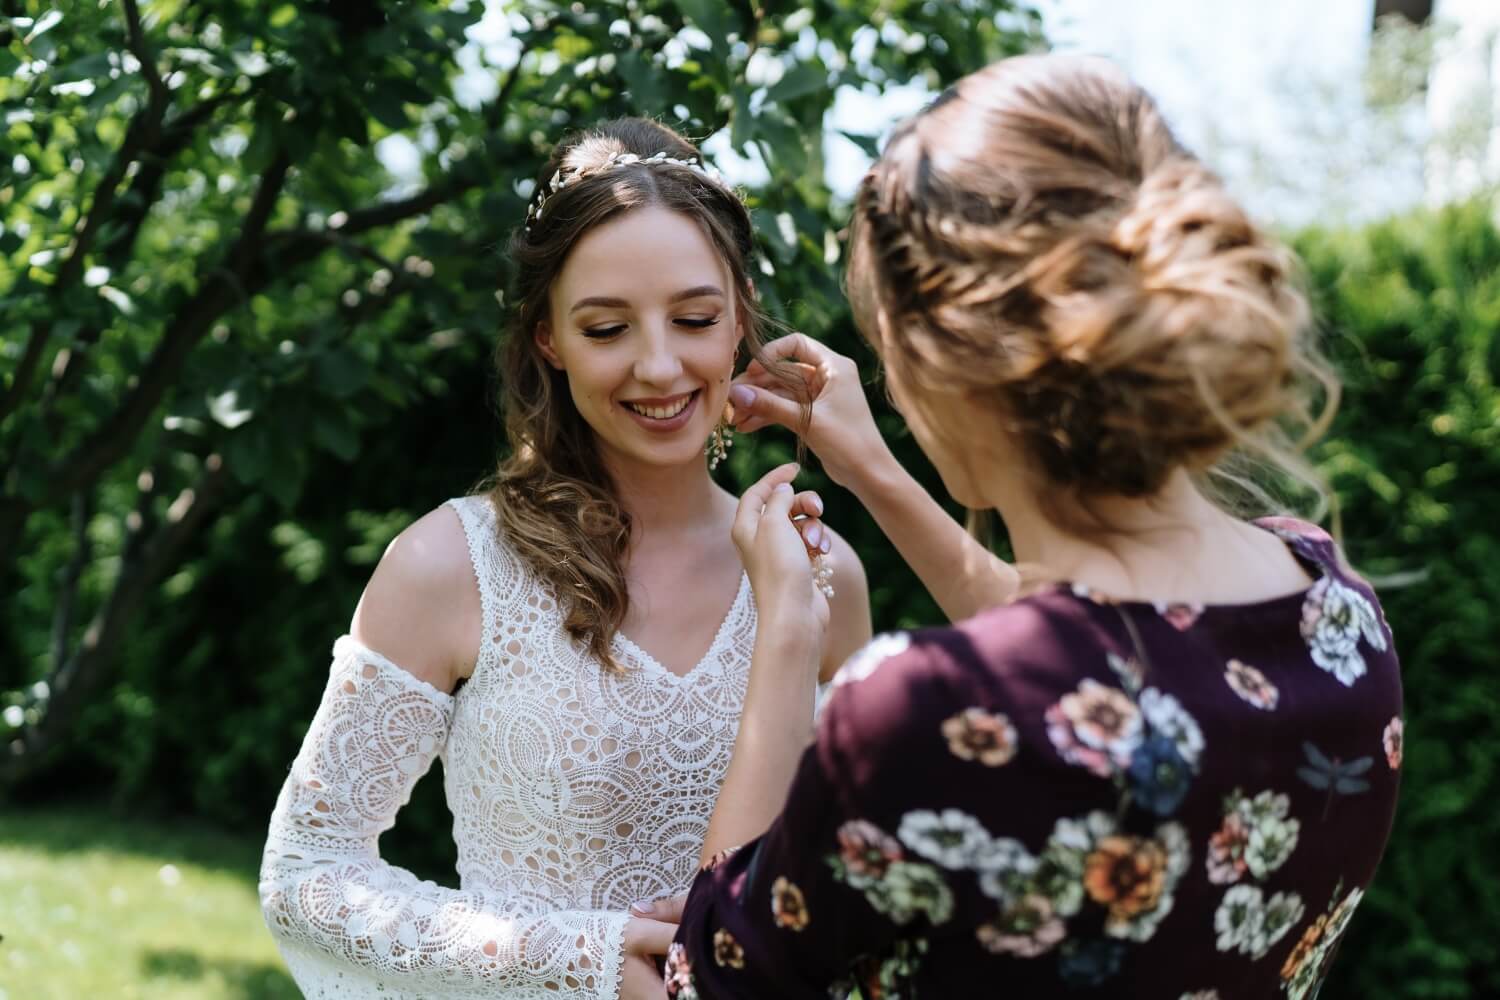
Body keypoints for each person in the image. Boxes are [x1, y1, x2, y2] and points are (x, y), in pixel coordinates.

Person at [660, 55, 1402, 999]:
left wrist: (787, 631)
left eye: (890, 358)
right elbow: (1094, 647)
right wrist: (876, 471)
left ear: (946, 367)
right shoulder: (1337, 613)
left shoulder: (921, 710)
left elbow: (713, 982)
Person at [257, 118, 871, 1000]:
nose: (658, 365)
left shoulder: (821, 573)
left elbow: (850, 877)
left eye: (694, 318)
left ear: (739, 313)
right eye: (607, 328)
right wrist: (578, 958)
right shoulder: (450, 564)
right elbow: (307, 873)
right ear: (548, 337)